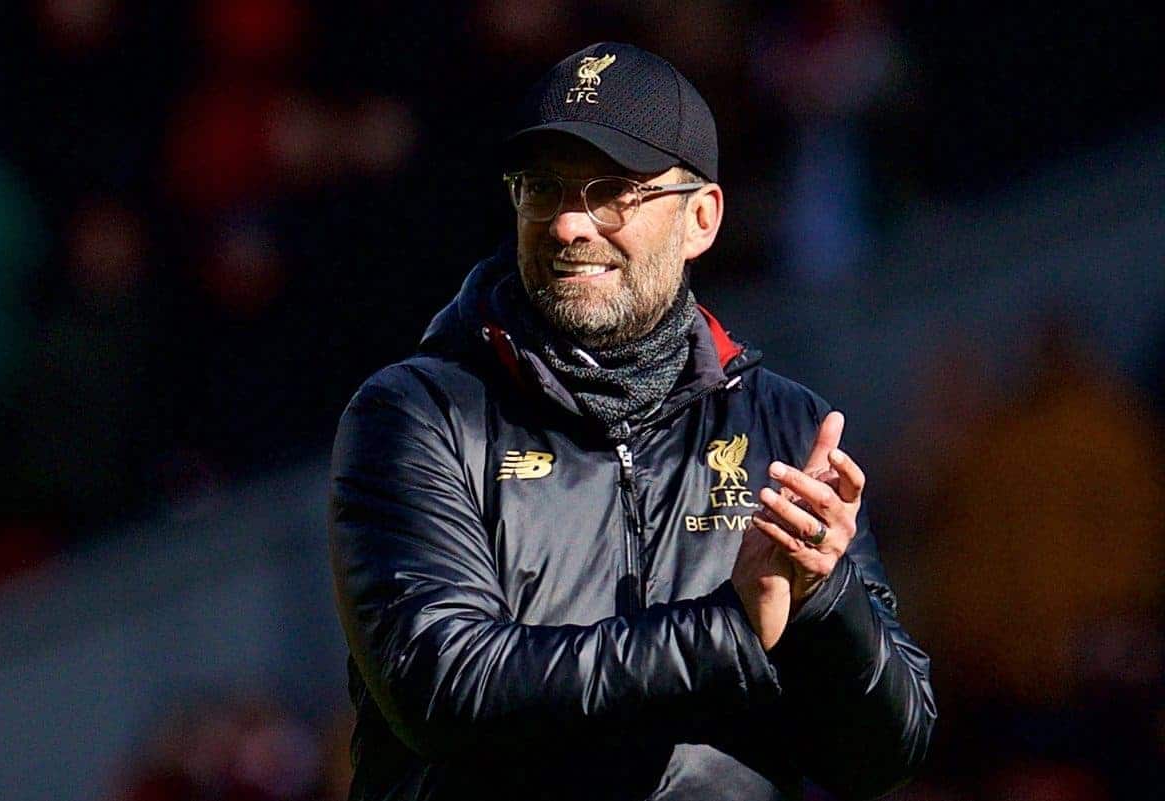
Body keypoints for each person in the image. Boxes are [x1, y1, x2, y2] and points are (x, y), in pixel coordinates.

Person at [329, 42, 935, 801]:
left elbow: (885, 752)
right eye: (542, 188)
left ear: (701, 219)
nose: (568, 224)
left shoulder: (786, 426)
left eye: (612, 191)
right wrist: (735, 627)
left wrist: (825, 600)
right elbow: (449, 687)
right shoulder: (419, 413)